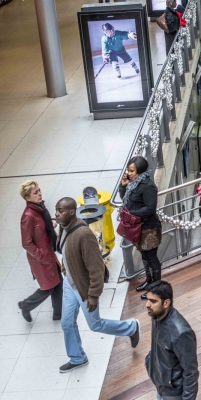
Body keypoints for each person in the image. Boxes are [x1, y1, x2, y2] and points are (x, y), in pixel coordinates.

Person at [56, 197, 141, 373]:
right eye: (57, 210)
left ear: (72, 212)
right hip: (69, 284)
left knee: (95, 325)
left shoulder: (84, 234)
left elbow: (96, 267)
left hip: (84, 289)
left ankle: (131, 327)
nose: (57, 213)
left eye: (60, 210)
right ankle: (77, 357)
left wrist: (93, 294)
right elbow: (65, 250)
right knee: (66, 323)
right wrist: (65, 265)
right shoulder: (63, 228)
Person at [145, 280, 199, 400]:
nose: (147, 304)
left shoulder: (181, 333)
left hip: (173, 394)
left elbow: (191, 372)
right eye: (147, 299)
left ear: (166, 303)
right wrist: (150, 361)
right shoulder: (156, 316)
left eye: (153, 301)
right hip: (161, 385)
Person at [18, 181, 62, 322]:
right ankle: (26, 305)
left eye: (39, 190)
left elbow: (43, 225)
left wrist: (52, 223)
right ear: (27, 198)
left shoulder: (39, 208)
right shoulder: (28, 216)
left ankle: (58, 314)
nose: (39, 194)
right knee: (48, 287)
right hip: (41, 258)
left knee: (58, 282)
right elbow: (26, 243)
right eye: (35, 192)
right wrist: (41, 255)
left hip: (48, 253)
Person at [119, 156, 162, 299]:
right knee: (144, 255)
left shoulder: (148, 186)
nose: (129, 173)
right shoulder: (132, 183)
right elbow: (126, 200)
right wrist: (123, 186)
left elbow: (150, 208)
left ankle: (156, 288)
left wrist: (131, 214)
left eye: (132, 171)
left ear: (140, 171)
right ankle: (149, 281)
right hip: (137, 227)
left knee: (151, 257)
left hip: (149, 228)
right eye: (128, 170)